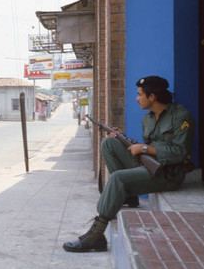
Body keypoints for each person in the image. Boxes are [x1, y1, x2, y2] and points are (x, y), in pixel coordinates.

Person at [63, 75, 196, 252]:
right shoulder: (147, 119)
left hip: (168, 174)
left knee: (118, 178)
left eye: (140, 94)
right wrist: (125, 141)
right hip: (149, 167)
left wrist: (144, 149)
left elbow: (180, 154)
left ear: (152, 97)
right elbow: (148, 149)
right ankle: (128, 195)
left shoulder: (181, 117)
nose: (137, 98)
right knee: (109, 143)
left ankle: (97, 234)